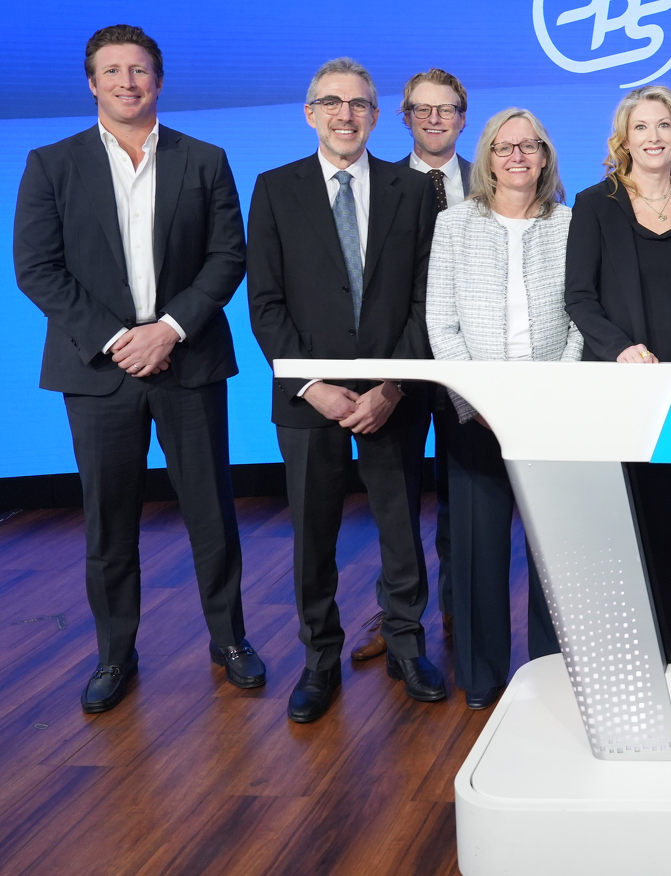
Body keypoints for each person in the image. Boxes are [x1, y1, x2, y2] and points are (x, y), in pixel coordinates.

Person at [13, 24, 260, 713]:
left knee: (211, 512)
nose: (128, 82)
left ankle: (230, 640)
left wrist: (170, 330)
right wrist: (122, 339)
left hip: (188, 361)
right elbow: (36, 269)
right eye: (113, 71)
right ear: (92, 83)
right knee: (109, 521)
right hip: (99, 372)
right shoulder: (50, 164)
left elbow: (228, 257)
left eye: (140, 70)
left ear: (159, 79)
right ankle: (115, 654)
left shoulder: (204, 159)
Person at [246, 57, 446, 723]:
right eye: (331, 103)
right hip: (310, 399)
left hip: (392, 394)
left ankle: (406, 645)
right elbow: (266, 303)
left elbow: (426, 299)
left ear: (376, 115)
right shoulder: (274, 189)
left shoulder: (412, 191)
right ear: (310, 114)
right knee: (313, 532)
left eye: (359, 103)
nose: (345, 114)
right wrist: (314, 385)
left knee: (400, 524)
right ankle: (320, 657)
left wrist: (392, 384)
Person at [427, 108, 576, 707]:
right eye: (503, 147)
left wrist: (552, 392)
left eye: (529, 146)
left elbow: (580, 319)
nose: (517, 156)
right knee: (477, 549)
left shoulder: (571, 224)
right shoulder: (455, 226)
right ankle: (483, 677)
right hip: (477, 414)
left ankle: (552, 668)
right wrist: (481, 401)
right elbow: (443, 322)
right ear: (486, 157)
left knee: (553, 551)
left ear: (545, 157)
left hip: (552, 410)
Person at [351, 68, 473, 664]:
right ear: (403, 118)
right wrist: (392, 371)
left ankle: (459, 608)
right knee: (394, 499)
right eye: (421, 110)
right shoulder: (377, 185)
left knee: (466, 493)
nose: (434, 119)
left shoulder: (495, 178)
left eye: (446, 109)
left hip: (470, 372)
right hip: (398, 365)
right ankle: (399, 616)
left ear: (463, 116)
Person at [566, 86, 671, 363]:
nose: (654, 137)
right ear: (625, 141)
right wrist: (618, 349)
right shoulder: (594, 205)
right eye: (640, 127)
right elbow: (579, 296)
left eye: (664, 125)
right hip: (617, 367)